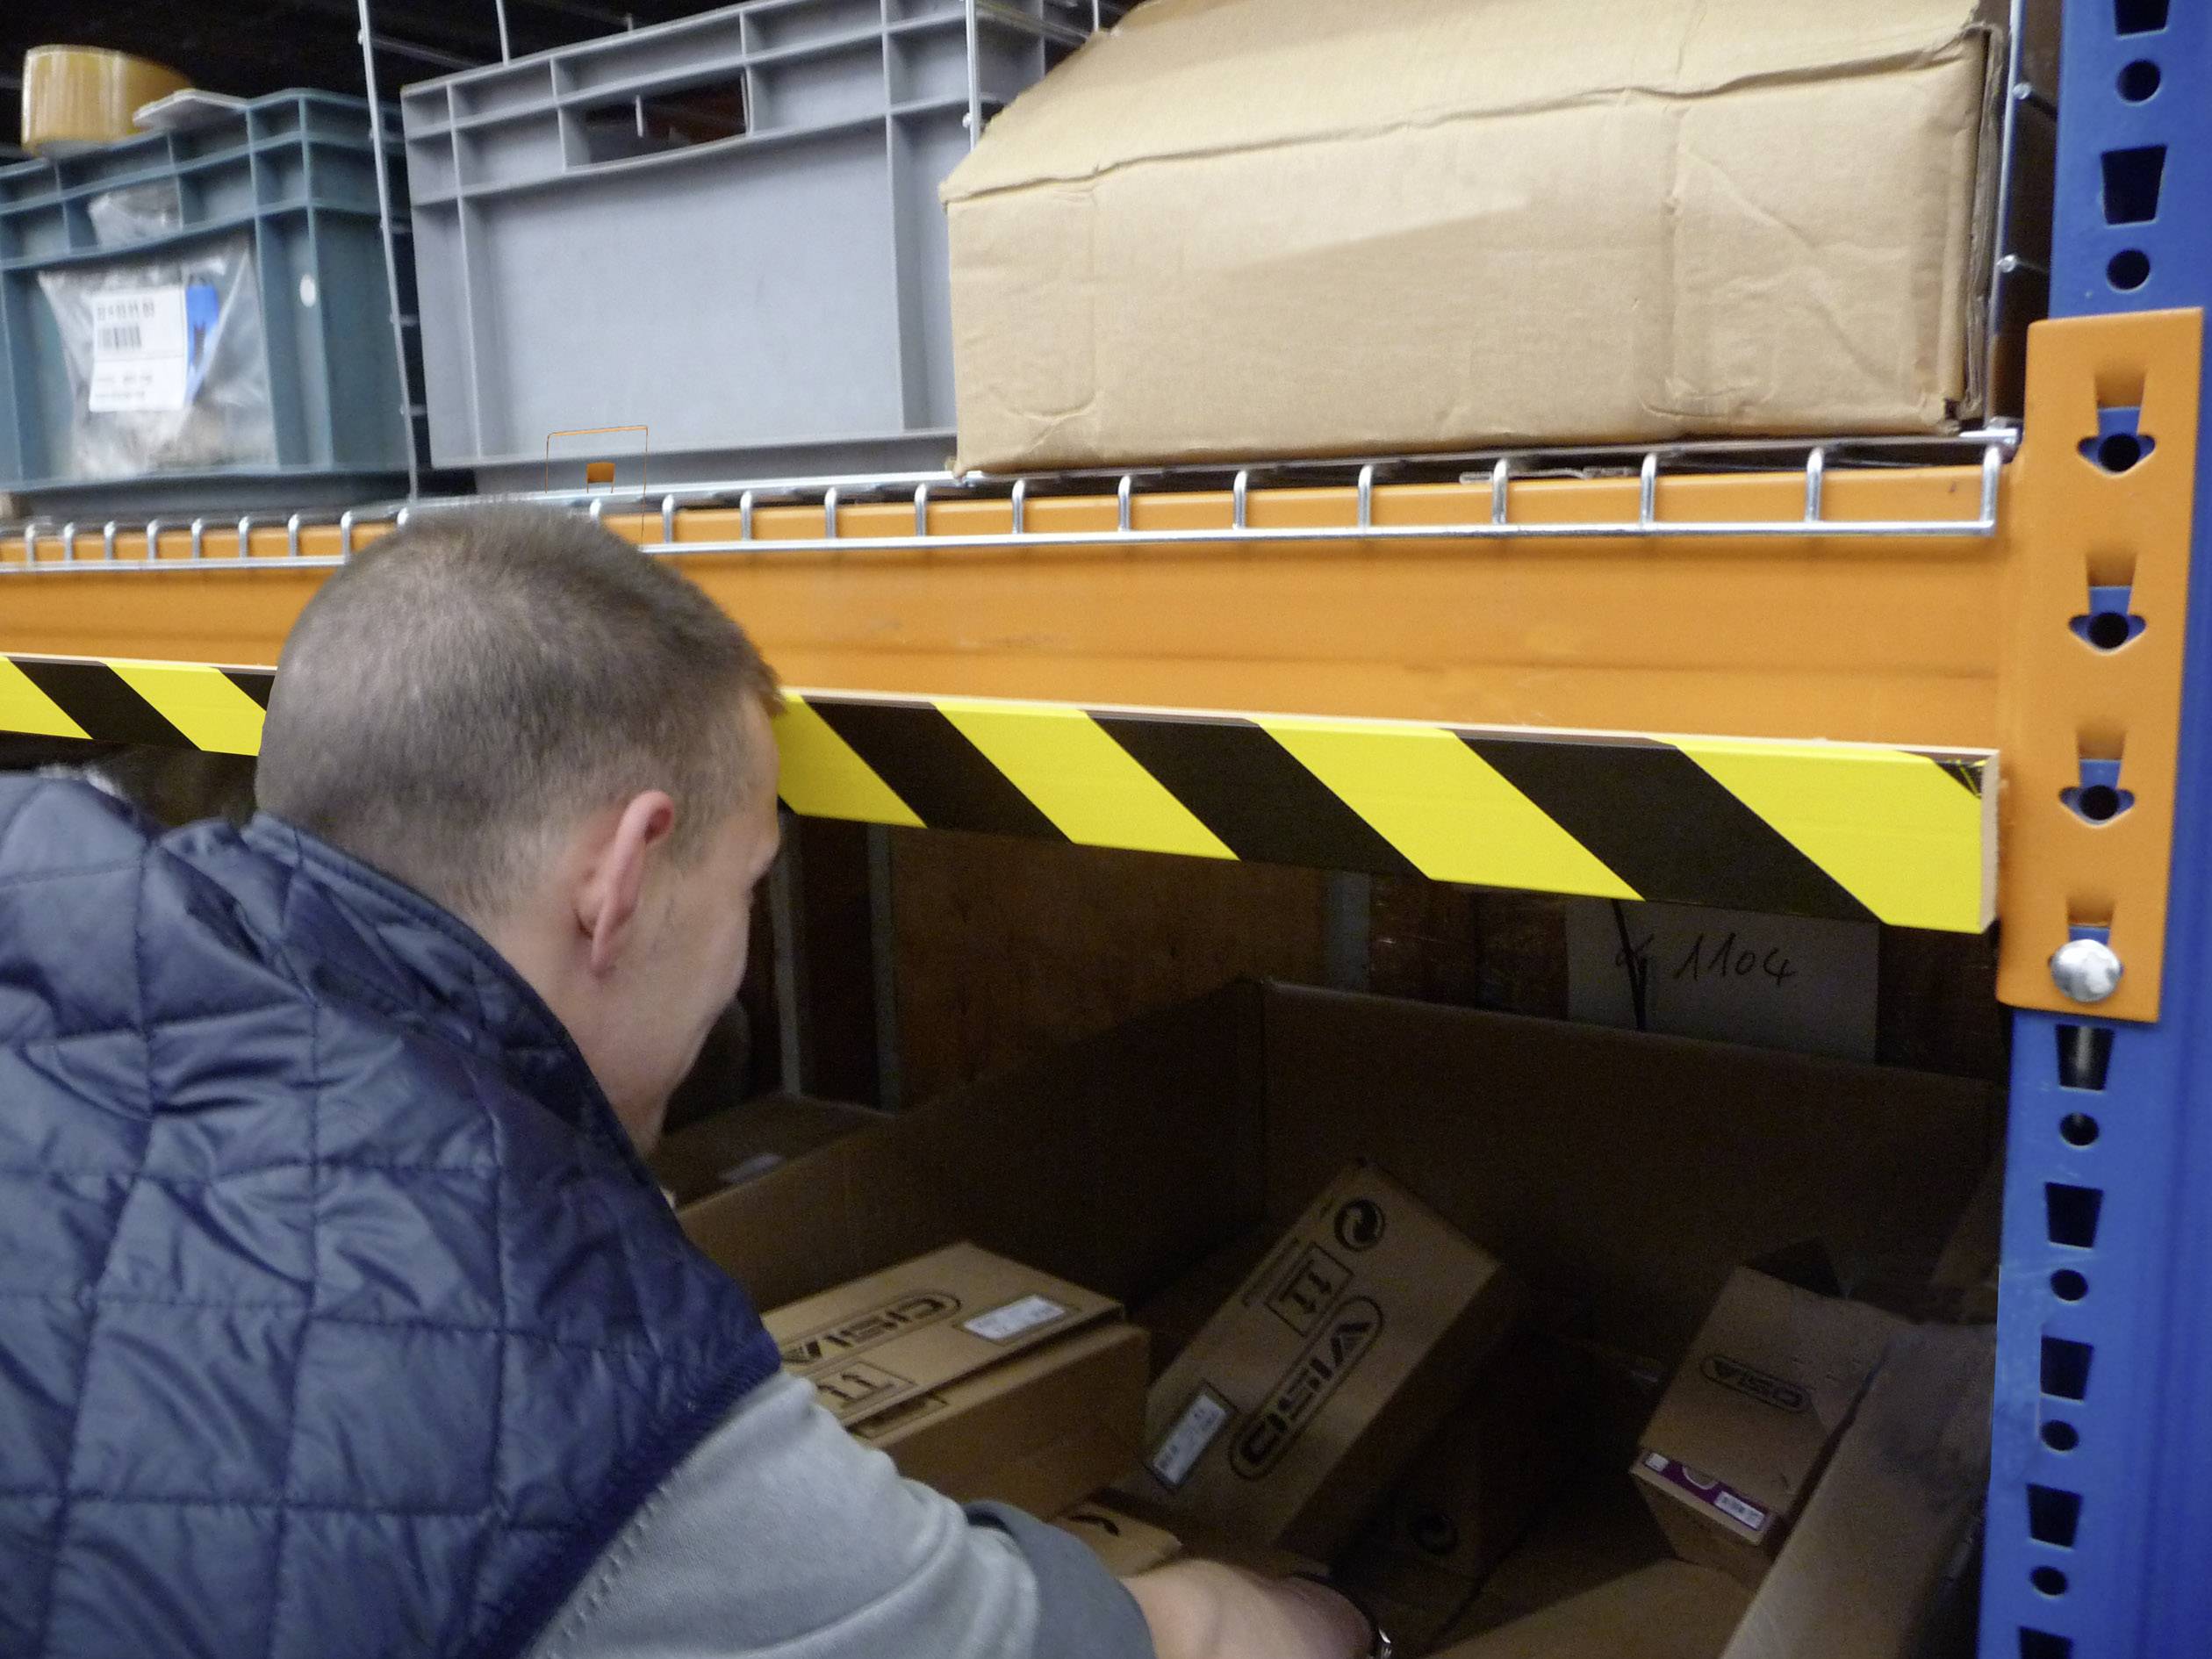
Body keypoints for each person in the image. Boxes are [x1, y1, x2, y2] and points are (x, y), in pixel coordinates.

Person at [0, 507, 1383, 1659]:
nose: (739, 961)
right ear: (623, 873)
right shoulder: (560, 1382)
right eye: (749, 885)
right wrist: (1319, 1621)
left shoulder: (37, 879)